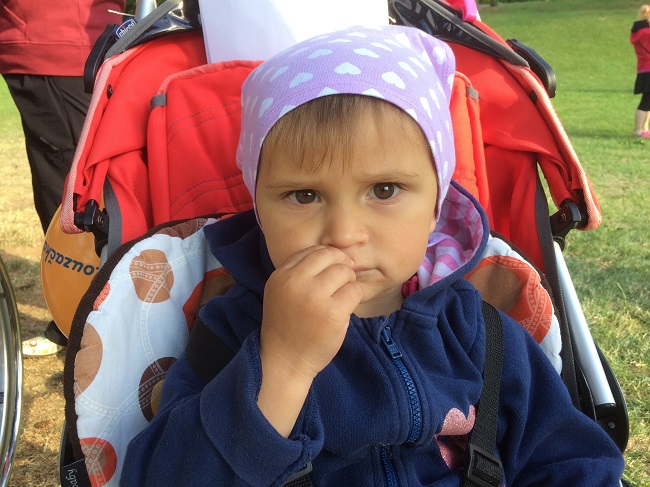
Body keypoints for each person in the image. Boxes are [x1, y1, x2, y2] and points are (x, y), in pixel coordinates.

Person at [120, 25, 624, 486]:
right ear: (259, 211)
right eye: (303, 195)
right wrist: (283, 365)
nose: (343, 234)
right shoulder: (230, 333)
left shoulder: (479, 333)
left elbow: (570, 459)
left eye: (384, 190)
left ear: (436, 207)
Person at [0, 0, 125, 355]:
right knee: (72, 186)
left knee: (73, 192)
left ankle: (82, 321)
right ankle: (78, 318)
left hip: (55, 40)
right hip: (65, 40)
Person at [631, 5, 650, 137]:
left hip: (644, 69)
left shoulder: (639, 31)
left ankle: (644, 128)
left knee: (648, 100)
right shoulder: (647, 33)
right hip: (648, 69)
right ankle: (638, 130)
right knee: (646, 101)